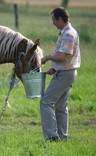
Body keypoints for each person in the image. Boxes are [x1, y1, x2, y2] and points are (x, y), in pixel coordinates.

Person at [40, 7, 80, 141]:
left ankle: (51, 136)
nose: (53, 23)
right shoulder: (66, 32)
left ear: (61, 19)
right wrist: (54, 69)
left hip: (65, 75)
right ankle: (63, 138)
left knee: (46, 102)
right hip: (66, 73)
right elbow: (67, 58)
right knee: (61, 106)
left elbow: (62, 56)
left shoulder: (68, 34)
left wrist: (47, 58)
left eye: (54, 20)